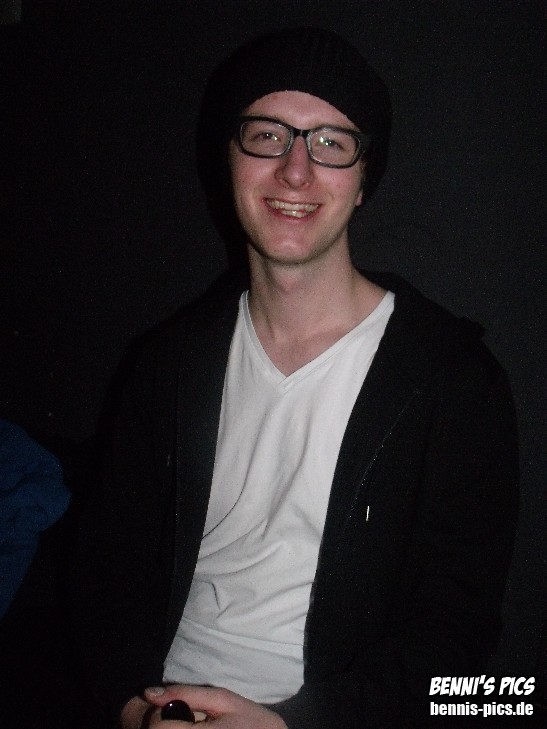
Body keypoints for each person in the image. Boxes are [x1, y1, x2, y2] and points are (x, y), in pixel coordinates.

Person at [70, 27, 519, 728]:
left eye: (330, 143)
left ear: (364, 178)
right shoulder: (166, 365)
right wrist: (135, 707)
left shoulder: (453, 381)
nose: (295, 172)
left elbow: (461, 652)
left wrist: (293, 724)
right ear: (228, 157)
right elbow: (101, 575)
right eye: (267, 136)